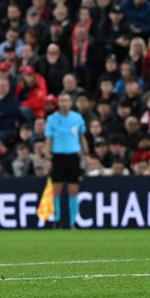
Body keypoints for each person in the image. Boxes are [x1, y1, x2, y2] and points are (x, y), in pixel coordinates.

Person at [44, 92, 89, 229]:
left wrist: (86, 153)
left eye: (66, 100)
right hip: (58, 156)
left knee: (73, 189)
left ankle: (72, 222)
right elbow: (48, 139)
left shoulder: (77, 118)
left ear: (71, 103)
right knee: (56, 188)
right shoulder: (52, 119)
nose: (64, 103)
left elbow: (82, 137)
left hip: (73, 156)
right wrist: (47, 157)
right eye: (61, 100)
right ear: (58, 103)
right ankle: (57, 220)